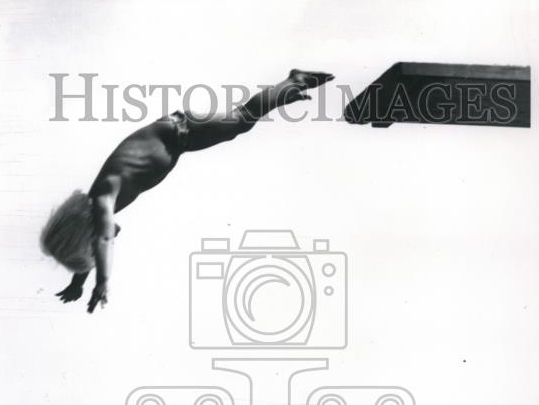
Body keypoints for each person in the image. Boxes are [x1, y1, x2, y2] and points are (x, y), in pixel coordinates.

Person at [41, 68, 334, 313]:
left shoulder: (104, 198)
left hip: (180, 130)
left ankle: (293, 81)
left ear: (86, 231)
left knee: (244, 118)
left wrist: (101, 282)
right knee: (241, 123)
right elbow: (97, 241)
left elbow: (104, 238)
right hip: (180, 135)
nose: (112, 236)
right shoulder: (102, 204)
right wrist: (77, 283)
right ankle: (287, 88)